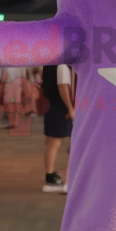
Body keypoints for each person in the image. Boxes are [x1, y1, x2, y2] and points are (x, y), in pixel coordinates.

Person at [42, 64, 74, 192]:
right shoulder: (62, 66)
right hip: (58, 107)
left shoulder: (49, 65)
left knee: (51, 141)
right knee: (55, 142)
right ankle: (50, 176)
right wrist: (70, 108)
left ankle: (50, 174)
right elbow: (63, 88)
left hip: (51, 105)